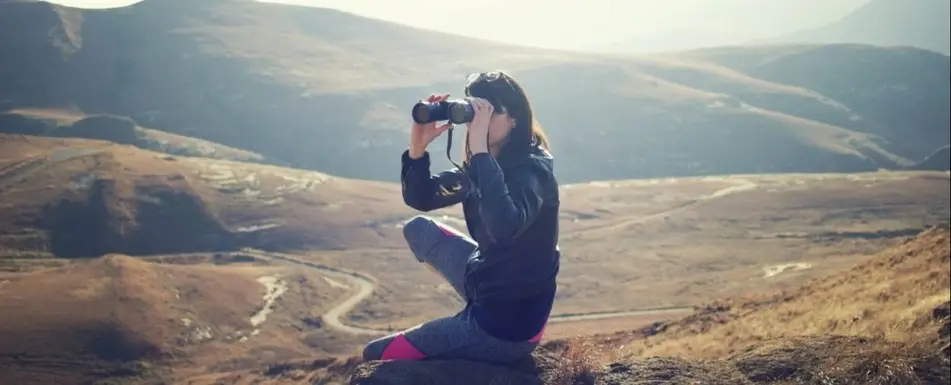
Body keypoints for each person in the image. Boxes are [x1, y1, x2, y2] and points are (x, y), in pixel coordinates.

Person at [362, 71, 561, 364]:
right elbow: (422, 198)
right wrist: (417, 150)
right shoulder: (486, 164)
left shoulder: (532, 173)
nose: (477, 123)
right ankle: (473, 306)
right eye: (474, 112)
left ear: (515, 118)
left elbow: (504, 227)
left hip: (506, 326)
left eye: (490, 113)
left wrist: (480, 150)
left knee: (376, 355)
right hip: (489, 277)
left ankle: (470, 327)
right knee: (418, 230)